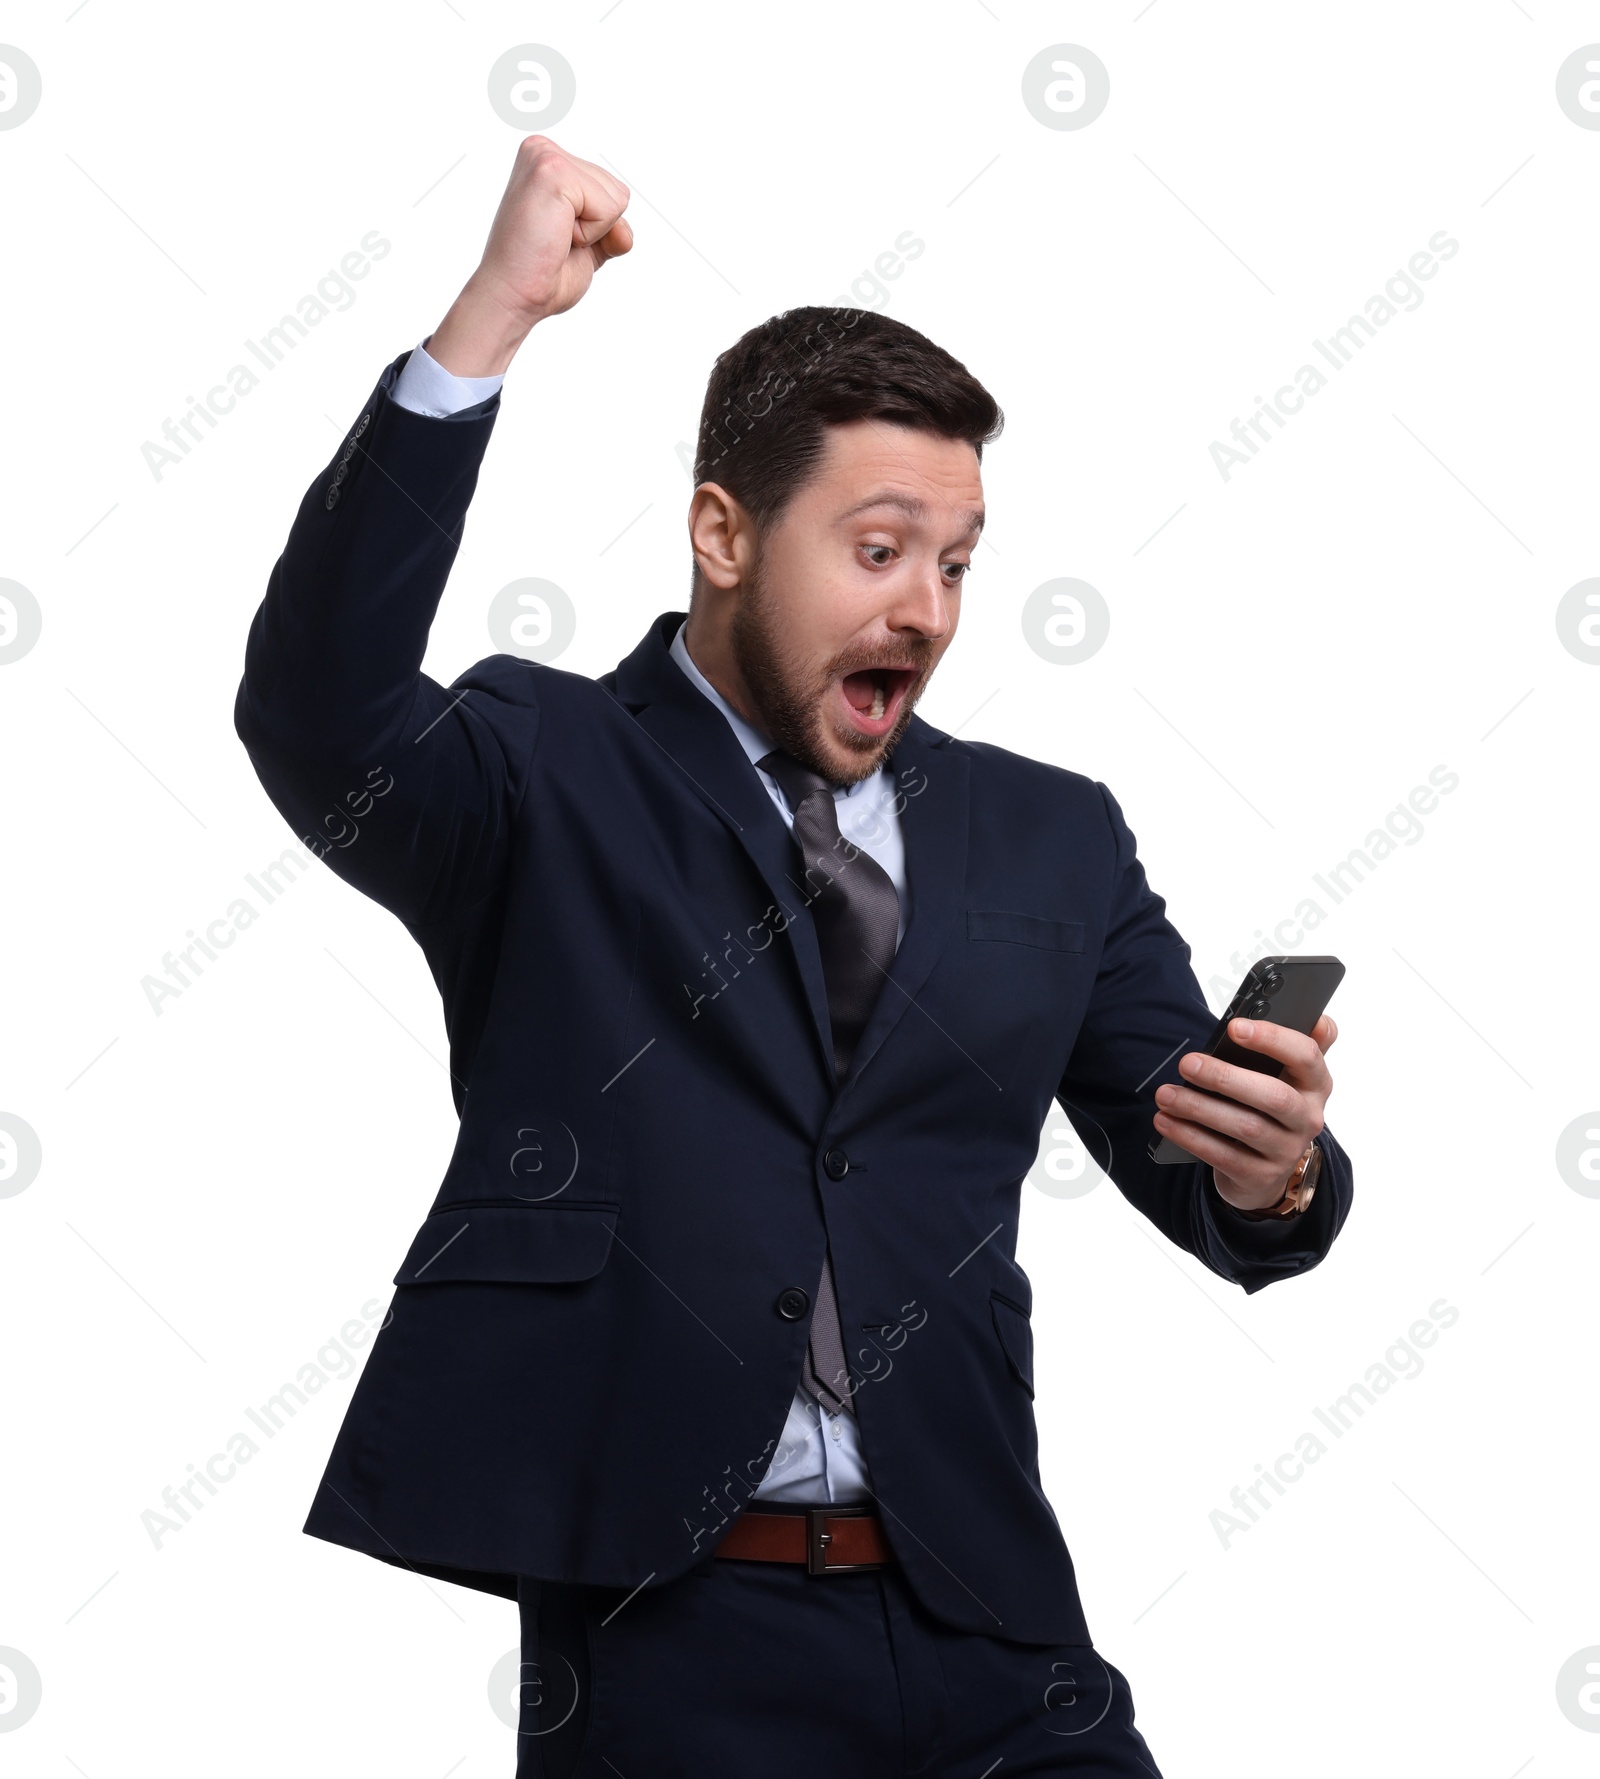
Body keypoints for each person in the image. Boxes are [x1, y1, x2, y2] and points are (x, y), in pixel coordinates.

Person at [234, 135, 1351, 1777]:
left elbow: (1199, 1160)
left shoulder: (1055, 836)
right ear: (723, 535)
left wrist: (1270, 1175)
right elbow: (316, 706)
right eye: (879, 549)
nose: (928, 609)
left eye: (958, 564)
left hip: (997, 1628)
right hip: (679, 1647)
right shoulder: (539, 773)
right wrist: (490, 321)